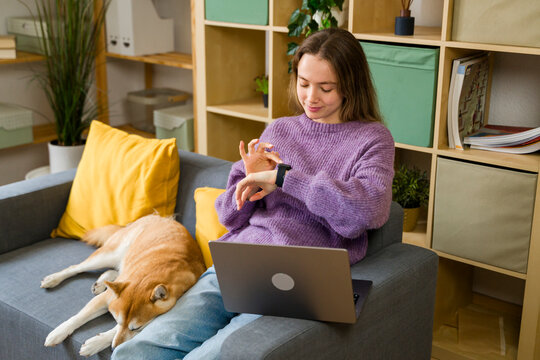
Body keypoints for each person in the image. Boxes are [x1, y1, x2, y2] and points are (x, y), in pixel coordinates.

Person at [112, 27, 395, 360]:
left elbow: (368, 211)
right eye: (303, 84)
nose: (311, 98)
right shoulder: (280, 130)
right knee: (138, 351)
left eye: (326, 87)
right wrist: (248, 186)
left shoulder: (372, 140)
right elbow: (227, 217)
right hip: (239, 262)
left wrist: (285, 178)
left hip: (299, 276)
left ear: (350, 84)